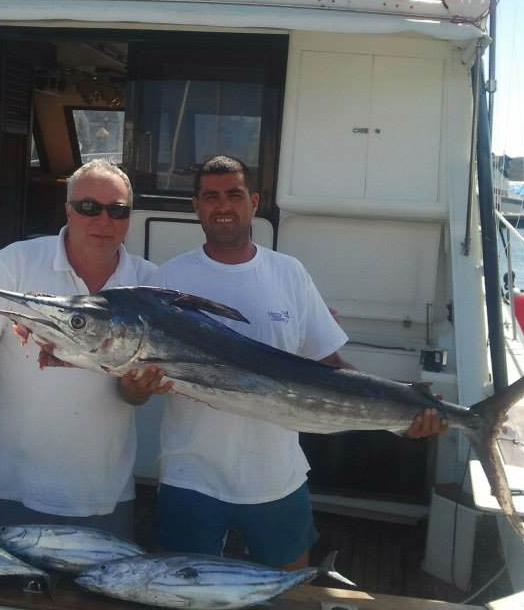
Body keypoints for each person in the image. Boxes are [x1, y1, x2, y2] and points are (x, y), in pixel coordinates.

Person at [151, 155, 447, 568]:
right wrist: (136, 385)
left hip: (277, 475)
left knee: (291, 588)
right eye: (211, 197)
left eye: (234, 195)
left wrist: (403, 411)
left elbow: (332, 365)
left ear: (253, 202)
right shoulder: (168, 280)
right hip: (190, 476)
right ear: (196, 206)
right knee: (185, 590)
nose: (223, 206)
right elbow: (133, 389)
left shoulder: (288, 272)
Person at [0, 159, 169, 537]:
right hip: (11, 488)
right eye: (89, 207)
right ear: (68, 210)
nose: (104, 220)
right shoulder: (14, 264)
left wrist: (137, 390)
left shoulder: (149, 283)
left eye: (117, 210)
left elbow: (131, 395)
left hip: (104, 494)